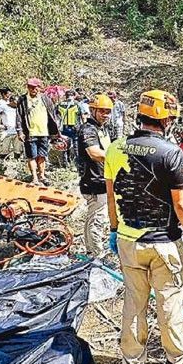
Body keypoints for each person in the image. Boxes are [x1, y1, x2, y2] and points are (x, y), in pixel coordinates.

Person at [104, 90, 183, 364]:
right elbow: (182, 204)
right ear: (167, 120)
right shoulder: (169, 152)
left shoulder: (115, 148)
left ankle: (133, 362)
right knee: (170, 303)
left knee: (134, 303)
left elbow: (112, 196)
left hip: (128, 240)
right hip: (164, 244)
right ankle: (176, 359)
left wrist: (114, 230)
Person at [76, 94, 115, 257]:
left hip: (103, 179)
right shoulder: (88, 129)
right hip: (93, 181)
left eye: (108, 112)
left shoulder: (102, 128)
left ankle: (91, 250)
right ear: (93, 110)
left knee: (94, 218)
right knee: (98, 220)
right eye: (102, 112)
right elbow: (93, 152)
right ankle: (96, 255)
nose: (105, 115)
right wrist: (117, 157)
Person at [15, 78, 60, 185]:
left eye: (35, 87)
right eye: (30, 87)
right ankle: (34, 178)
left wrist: (55, 133)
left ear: (39, 88)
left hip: (44, 132)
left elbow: (53, 115)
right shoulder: (22, 100)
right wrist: (20, 131)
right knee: (31, 156)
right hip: (30, 133)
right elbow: (19, 117)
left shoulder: (46, 99)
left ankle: (42, 176)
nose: (32, 89)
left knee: (42, 155)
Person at [0, 87, 22, 159]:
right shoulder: (2, 105)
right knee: (4, 151)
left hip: (17, 131)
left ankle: (16, 163)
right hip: (7, 131)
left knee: (18, 151)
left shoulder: (18, 108)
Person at [58, 90, 81, 164]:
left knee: (64, 144)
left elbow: (56, 116)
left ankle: (65, 162)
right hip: (74, 127)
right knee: (76, 145)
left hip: (63, 127)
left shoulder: (60, 104)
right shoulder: (76, 104)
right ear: (73, 96)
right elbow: (82, 115)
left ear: (66, 95)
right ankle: (77, 162)